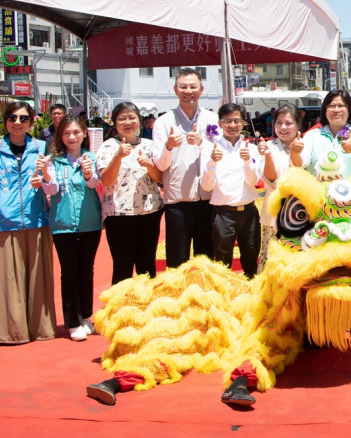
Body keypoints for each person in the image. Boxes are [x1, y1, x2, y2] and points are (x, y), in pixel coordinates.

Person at [0, 101, 55, 344]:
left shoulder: (42, 147)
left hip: (37, 219)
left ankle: (41, 329)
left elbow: (51, 183)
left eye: (22, 118)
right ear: (5, 121)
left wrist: (45, 181)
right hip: (4, 221)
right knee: (8, 281)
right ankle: (12, 332)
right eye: (12, 117)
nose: (17, 122)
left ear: (31, 122)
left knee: (38, 279)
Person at [41, 114, 103, 341]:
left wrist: (88, 172)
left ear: (84, 133)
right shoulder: (52, 161)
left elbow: (96, 184)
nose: (71, 136)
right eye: (66, 133)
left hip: (90, 223)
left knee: (86, 271)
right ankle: (72, 321)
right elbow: (51, 190)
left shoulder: (92, 158)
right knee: (69, 273)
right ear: (60, 136)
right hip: (62, 225)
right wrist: (46, 175)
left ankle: (86, 315)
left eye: (76, 132)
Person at [152, 68, 219, 268]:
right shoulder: (164, 122)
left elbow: (219, 154)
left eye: (193, 86)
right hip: (178, 202)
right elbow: (161, 165)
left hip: (208, 199)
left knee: (205, 260)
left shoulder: (212, 119)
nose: (188, 91)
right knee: (177, 260)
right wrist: (169, 147)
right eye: (183, 86)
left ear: (201, 89)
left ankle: (202, 298)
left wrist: (202, 143)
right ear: (175, 90)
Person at [97, 102, 164, 284]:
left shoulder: (151, 146)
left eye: (132, 117)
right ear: (115, 123)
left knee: (147, 267)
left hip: (150, 213)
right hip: (119, 216)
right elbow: (107, 181)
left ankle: (147, 308)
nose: (128, 122)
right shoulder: (108, 147)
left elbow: (160, 178)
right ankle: (121, 310)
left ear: (139, 120)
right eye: (122, 118)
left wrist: (149, 165)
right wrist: (118, 156)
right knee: (122, 267)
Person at [200, 103, 263, 279]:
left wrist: (247, 162)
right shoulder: (210, 148)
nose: (232, 125)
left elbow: (252, 181)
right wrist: (212, 162)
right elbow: (206, 186)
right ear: (220, 123)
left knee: (251, 259)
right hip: (223, 214)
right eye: (227, 120)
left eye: (236, 120)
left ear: (243, 123)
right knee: (222, 262)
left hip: (248, 213)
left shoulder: (251, 149)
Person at [257, 103, 303, 261]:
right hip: (273, 217)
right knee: (271, 264)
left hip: (300, 216)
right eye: (279, 123)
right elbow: (273, 182)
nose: (283, 127)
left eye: (288, 123)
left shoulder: (306, 146)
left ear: (298, 125)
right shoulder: (267, 147)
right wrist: (267, 156)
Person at [297, 90, 351, 180]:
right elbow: (301, 164)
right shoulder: (312, 136)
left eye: (341, 105)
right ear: (325, 110)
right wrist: (294, 151)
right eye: (332, 106)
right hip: (318, 193)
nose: (336, 110)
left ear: (349, 109)